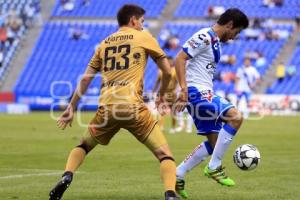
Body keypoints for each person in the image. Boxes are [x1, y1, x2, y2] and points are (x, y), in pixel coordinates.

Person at [49, 4, 180, 200]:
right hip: (133, 108)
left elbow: (85, 79)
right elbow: (168, 72)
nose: (143, 26)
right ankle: (170, 194)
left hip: (107, 108)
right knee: (165, 156)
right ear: (133, 20)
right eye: (142, 22)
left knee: (83, 146)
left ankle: (67, 174)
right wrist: (162, 96)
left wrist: (71, 107)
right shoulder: (143, 36)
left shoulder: (104, 43)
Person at [174, 8, 249, 198]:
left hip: (204, 91)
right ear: (229, 24)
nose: (234, 37)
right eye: (236, 31)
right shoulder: (204, 36)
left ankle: (179, 173)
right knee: (236, 117)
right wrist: (184, 91)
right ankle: (214, 167)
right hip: (196, 92)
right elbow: (180, 59)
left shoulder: (216, 42)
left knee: (214, 143)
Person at [152, 56, 178, 133]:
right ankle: (161, 126)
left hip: (172, 93)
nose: (170, 62)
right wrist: (154, 91)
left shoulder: (175, 71)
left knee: (173, 111)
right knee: (161, 110)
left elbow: (177, 82)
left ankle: (173, 128)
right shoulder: (161, 71)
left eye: (171, 61)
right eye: (168, 61)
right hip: (164, 93)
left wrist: (177, 90)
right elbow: (157, 82)